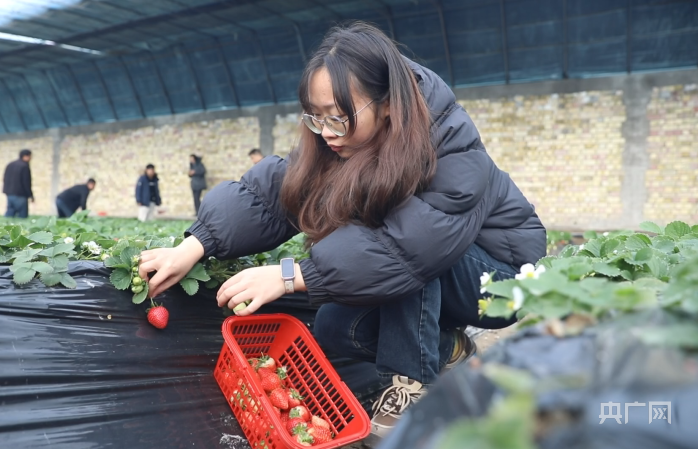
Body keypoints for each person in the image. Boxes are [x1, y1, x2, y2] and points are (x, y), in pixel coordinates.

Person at [137, 22, 546, 442]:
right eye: (316, 117)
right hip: (427, 261)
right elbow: (275, 191)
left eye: (338, 117)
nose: (327, 131)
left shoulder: (450, 143)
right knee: (335, 327)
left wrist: (287, 275)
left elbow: (412, 246)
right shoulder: (339, 141)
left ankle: (410, 383)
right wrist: (195, 244)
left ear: (386, 103)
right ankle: (449, 348)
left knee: (401, 231)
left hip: (500, 277)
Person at [2, 149, 34, 218]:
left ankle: (5, 227)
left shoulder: (10, 165)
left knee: (10, 213)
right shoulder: (24, 166)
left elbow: (5, 179)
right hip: (20, 194)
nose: (31, 158)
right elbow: (26, 182)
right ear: (25, 156)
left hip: (9, 194)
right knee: (22, 216)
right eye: (30, 156)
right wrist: (30, 195)